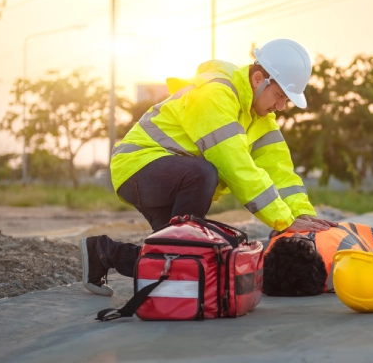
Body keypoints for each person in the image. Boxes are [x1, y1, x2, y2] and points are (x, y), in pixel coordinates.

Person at [81, 39, 336, 297]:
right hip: (137, 168)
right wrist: (284, 220)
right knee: (204, 174)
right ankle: (142, 258)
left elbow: (282, 176)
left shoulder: (261, 121)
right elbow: (235, 166)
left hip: (171, 179)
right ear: (259, 79)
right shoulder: (216, 93)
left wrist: (306, 222)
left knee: (187, 259)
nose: (281, 106)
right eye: (280, 95)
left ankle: (103, 253)